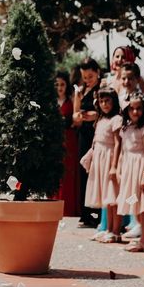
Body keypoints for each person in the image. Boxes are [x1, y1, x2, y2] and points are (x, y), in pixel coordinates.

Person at [115, 92, 144, 252]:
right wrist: (119, 170)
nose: (135, 112)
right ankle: (142, 238)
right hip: (129, 170)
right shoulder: (126, 129)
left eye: (139, 108)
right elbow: (122, 152)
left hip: (141, 169)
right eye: (131, 109)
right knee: (134, 204)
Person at [80, 87, 123, 243]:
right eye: (102, 101)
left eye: (108, 101)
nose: (104, 104)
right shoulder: (100, 119)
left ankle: (115, 231)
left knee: (113, 198)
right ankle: (106, 228)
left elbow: (118, 143)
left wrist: (114, 166)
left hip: (109, 158)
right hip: (99, 159)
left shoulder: (116, 119)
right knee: (106, 197)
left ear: (114, 101)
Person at [74, 57, 103, 227]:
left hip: (97, 135)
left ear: (97, 72)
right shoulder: (81, 91)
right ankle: (85, 213)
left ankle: (97, 212)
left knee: (96, 173)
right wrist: (79, 115)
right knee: (83, 173)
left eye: (90, 76)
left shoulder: (102, 89)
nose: (87, 80)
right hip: (83, 135)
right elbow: (75, 115)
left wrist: (93, 116)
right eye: (85, 77)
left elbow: (104, 111)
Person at [53, 72, 81, 217]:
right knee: (55, 171)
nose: (59, 87)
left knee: (68, 172)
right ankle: (54, 204)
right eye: (57, 84)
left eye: (62, 84)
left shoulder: (71, 101)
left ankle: (68, 208)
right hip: (55, 141)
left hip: (69, 140)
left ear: (67, 85)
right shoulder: (50, 103)